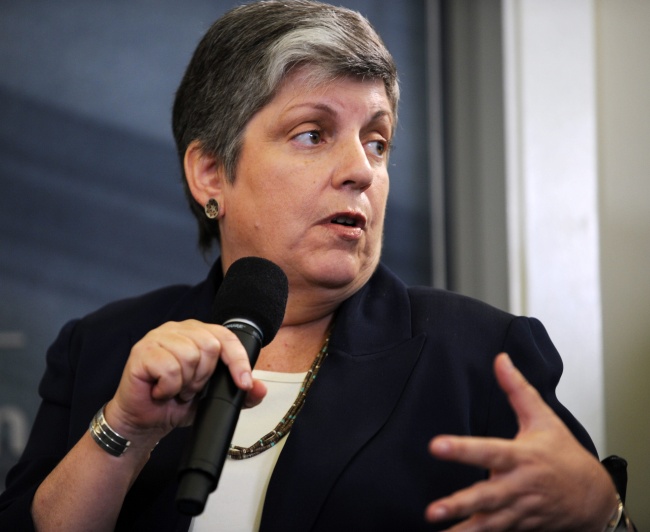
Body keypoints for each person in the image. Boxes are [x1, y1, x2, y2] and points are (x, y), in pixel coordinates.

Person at [0, 1, 635, 530]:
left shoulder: (479, 356)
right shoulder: (101, 349)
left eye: (377, 141)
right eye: (313, 133)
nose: (362, 170)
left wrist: (602, 515)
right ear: (210, 173)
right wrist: (124, 431)